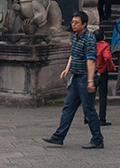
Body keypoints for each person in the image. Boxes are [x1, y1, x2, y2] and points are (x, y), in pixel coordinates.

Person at [42, 11, 104, 149]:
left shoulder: (89, 38)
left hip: (85, 78)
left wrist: (90, 81)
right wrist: (67, 69)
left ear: (84, 24)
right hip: (76, 78)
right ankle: (59, 136)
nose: (73, 25)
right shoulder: (76, 36)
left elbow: (91, 61)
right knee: (68, 108)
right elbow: (73, 54)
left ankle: (98, 139)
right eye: (73, 22)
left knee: (89, 110)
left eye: (76, 23)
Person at [94, 28, 115, 125]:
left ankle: (88, 117)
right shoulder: (105, 46)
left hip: (92, 71)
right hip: (102, 71)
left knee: (90, 96)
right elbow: (107, 57)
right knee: (102, 96)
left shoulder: (91, 46)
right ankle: (102, 118)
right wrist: (110, 66)